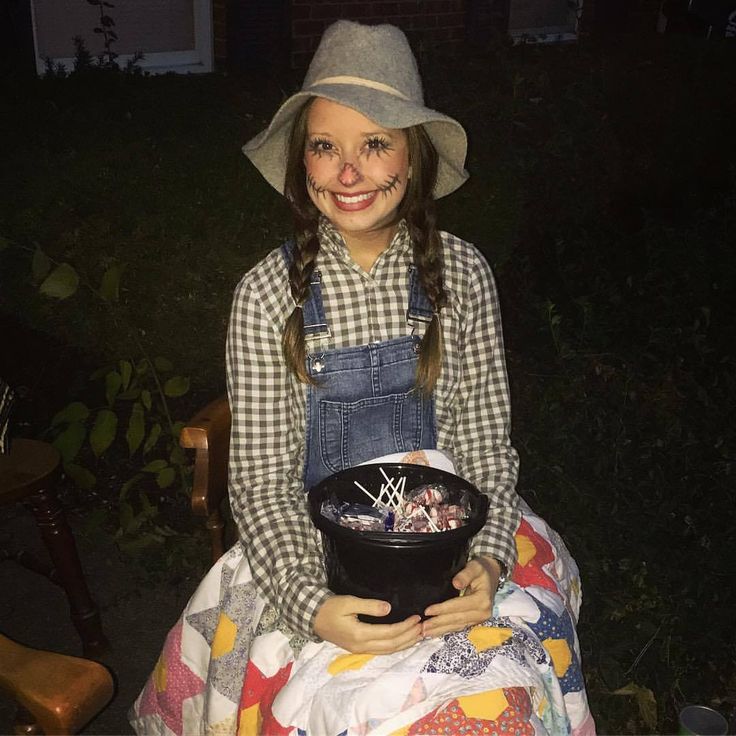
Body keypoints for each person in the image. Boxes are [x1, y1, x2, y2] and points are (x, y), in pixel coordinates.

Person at [130, 20, 595, 736]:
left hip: (455, 541)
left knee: (500, 697)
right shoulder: (266, 294)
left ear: (414, 159)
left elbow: (483, 448)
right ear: (302, 163)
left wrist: (489, 561)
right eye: (326, 147)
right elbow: (259, 482)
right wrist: (309, 602)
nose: (348, 173)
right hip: (307, 548)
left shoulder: (463, 275)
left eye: (374, 143)